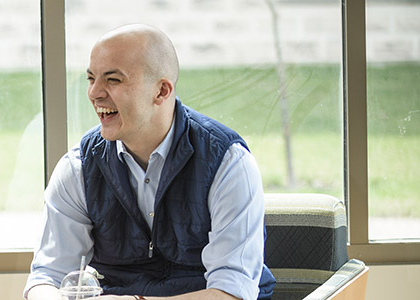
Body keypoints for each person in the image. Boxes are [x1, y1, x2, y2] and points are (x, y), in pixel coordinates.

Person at [24, 24, 276, 300]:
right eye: (91, 78)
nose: (94, 93)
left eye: (113, 80)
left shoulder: (227, 162)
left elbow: (232, 292)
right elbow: (48, 276)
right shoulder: (78, 167)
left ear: (162, 91)